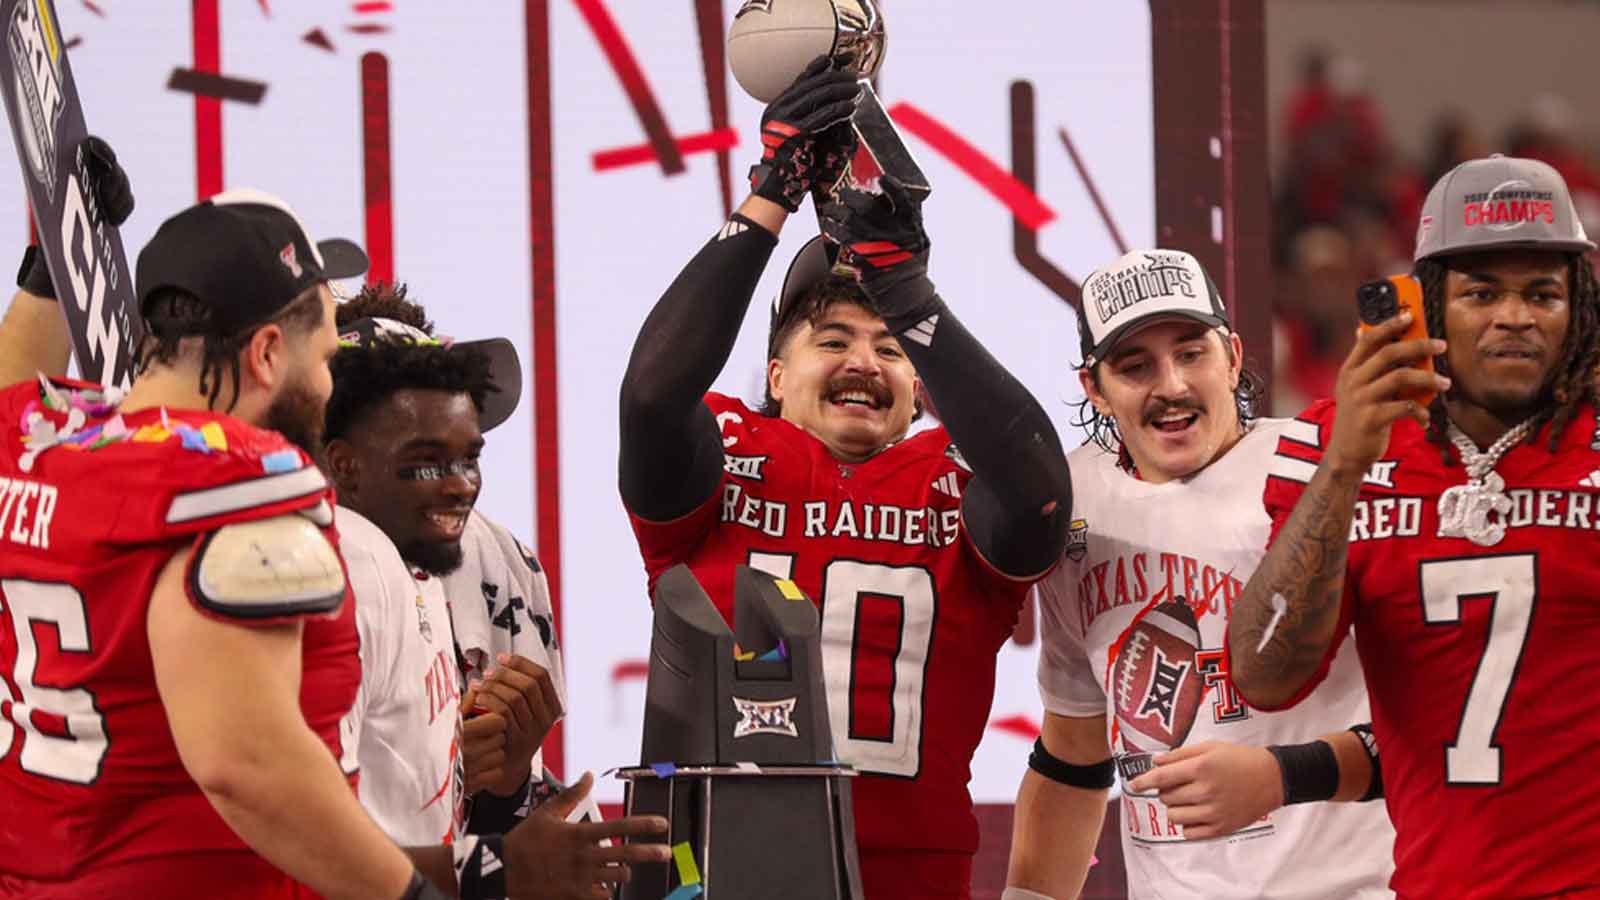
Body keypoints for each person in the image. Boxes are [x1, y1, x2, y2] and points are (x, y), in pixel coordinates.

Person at [0, 177, 668, 898]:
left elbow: (16, 387)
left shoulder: (41, 441)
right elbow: (248, 766)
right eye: (320, 361)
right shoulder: (248, 491)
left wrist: (44, 282)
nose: (326, 390)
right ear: (264, 355)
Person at [617, 57, 1073, 899]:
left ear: (920, 390)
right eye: (832, 339)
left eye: (890, 346)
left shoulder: (959, 474)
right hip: (706, 865)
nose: (865, 359)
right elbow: (649, 396)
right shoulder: (722, 452)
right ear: (777, 375)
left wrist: (909, 290)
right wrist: (769, 195)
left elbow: (1043, 497)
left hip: (909, 875)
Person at [1226, 155, 1600, 899]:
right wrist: (1344, 467)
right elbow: (1266, 676)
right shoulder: (1334, 445)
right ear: (1426, 306)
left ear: (1579, 309)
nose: (1514, 317)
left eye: (1543, 294)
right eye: (1481, 292)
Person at [1004, 249, 1394, 900]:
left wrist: (1282, 773)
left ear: (1235, 357)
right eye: (1136, 366)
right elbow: (1073, 754)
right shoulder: (1075, 505)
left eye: (1192, 353)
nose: (1174, 385)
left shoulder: (1325, 466)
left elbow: (1425, 722)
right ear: (1093, 389)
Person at [324, 302, 563, 842]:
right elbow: (307, 847)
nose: (458, 485)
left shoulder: (447, 562)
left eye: (468, 457)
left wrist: (501, 785)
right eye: (425, 457)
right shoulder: (325, 574)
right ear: (341, 459)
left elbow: (453, 821)